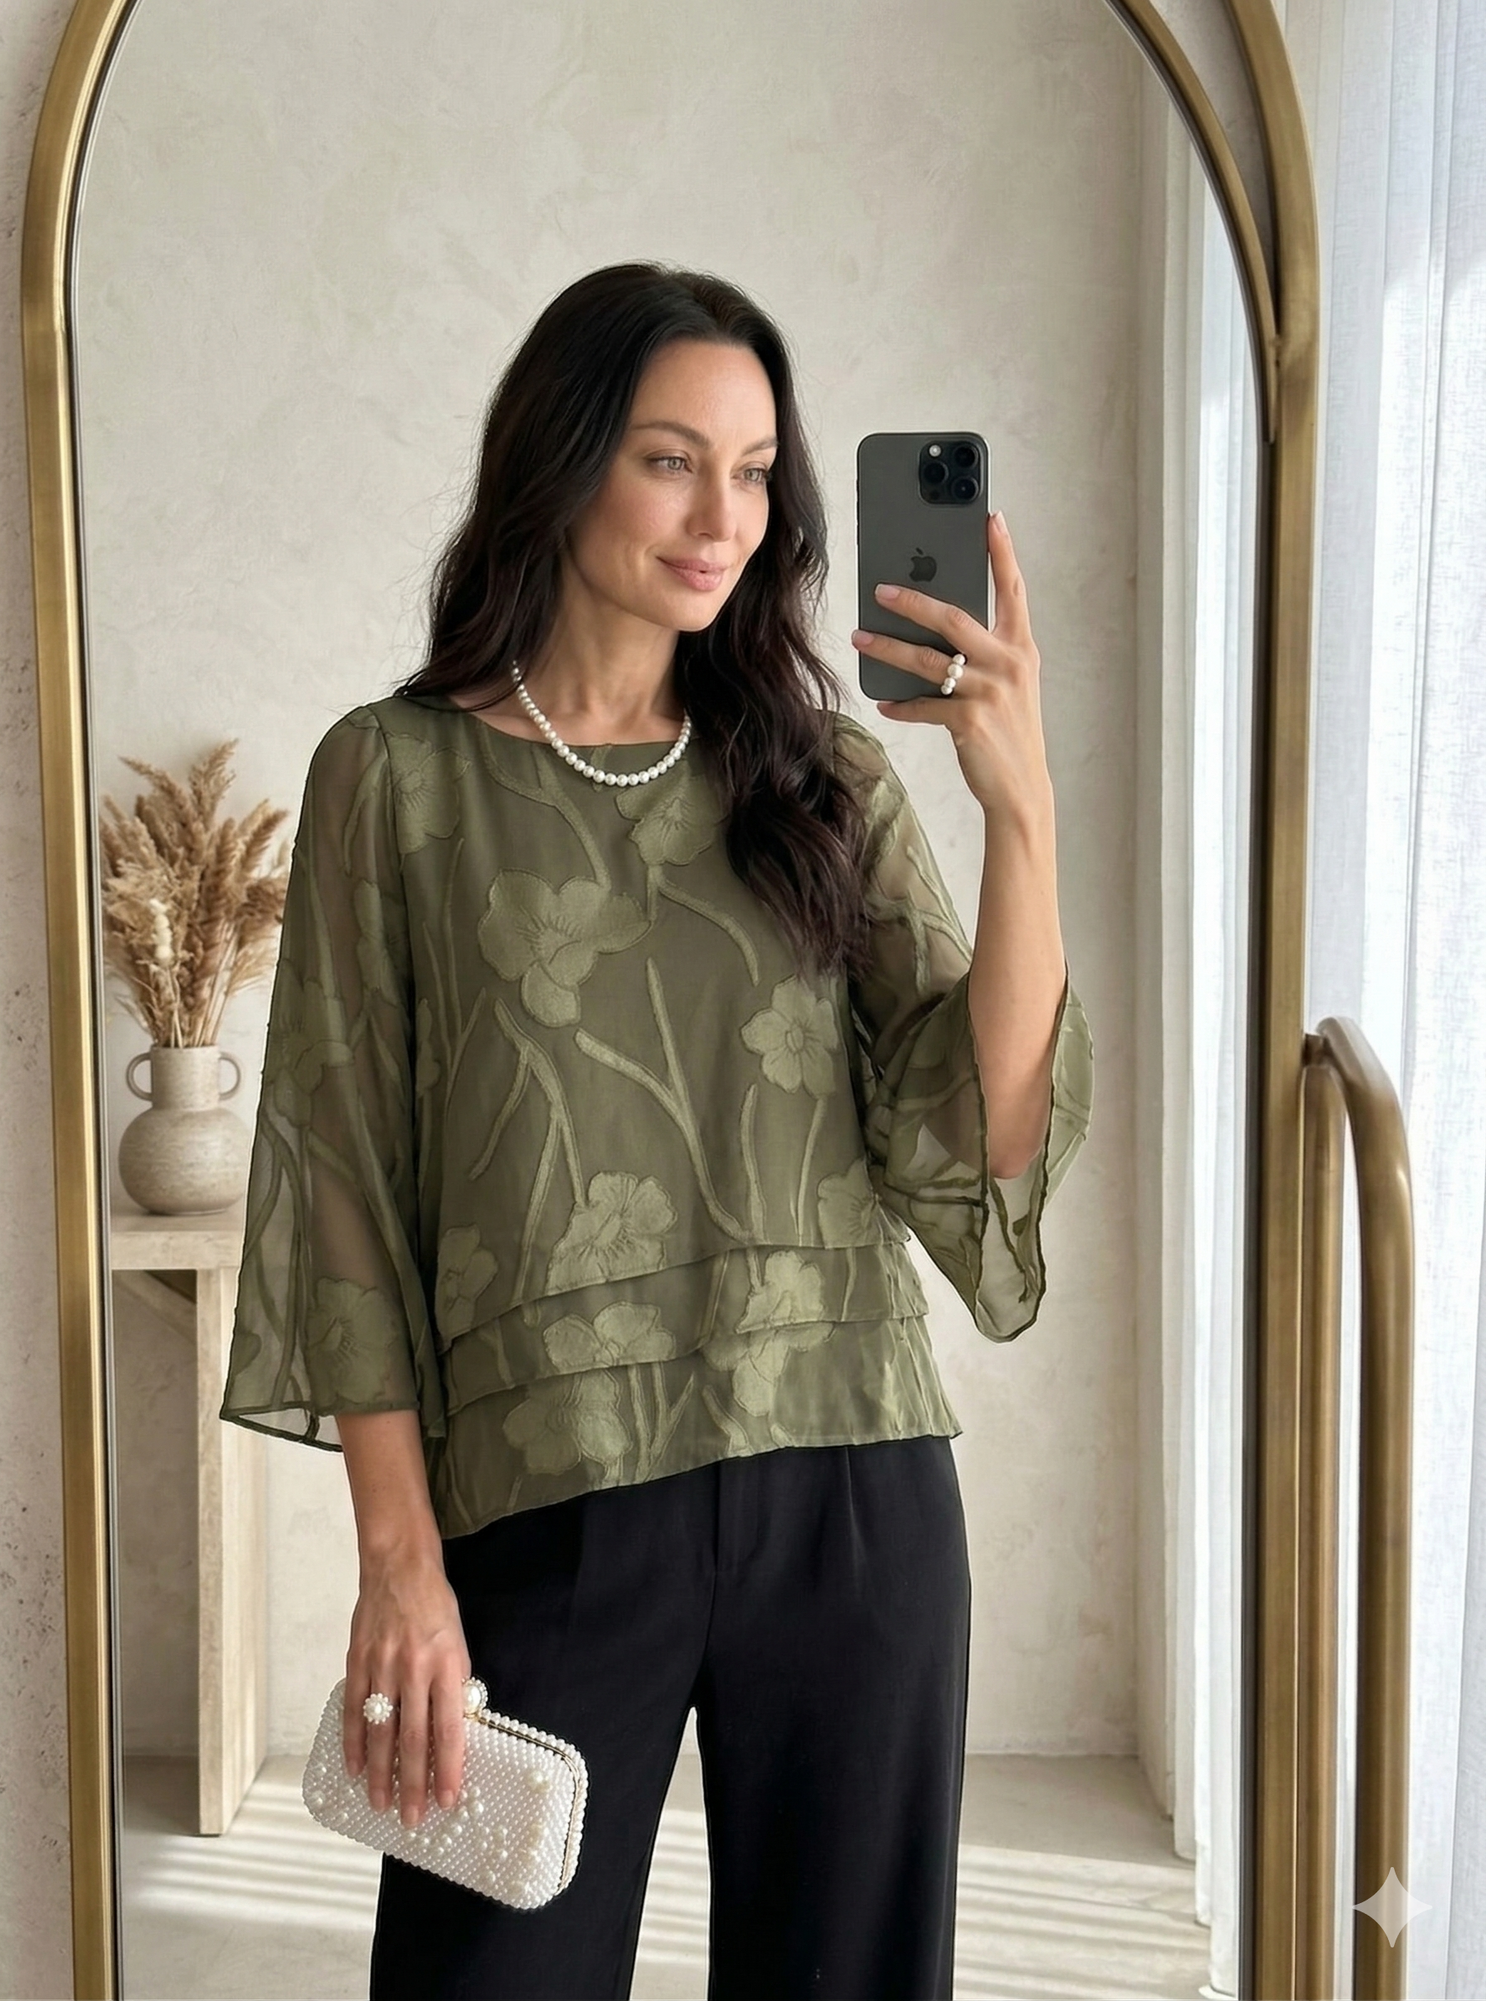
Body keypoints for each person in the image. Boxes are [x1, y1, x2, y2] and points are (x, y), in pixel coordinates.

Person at [220, 261, 1093, 2001]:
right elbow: (346, 1184)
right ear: (558, 464)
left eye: (756, 471)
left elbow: (976, 1135)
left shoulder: (822, 776)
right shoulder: (394, 778)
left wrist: (1023, 811)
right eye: (671, 460)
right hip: (547, 1504)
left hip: (849, 1482)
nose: (723, 521)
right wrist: (399, 1563)